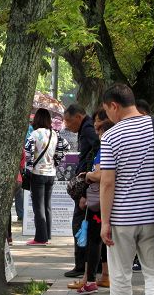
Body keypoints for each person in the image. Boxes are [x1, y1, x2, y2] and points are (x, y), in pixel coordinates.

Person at [99, 84, 154, 295]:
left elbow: (107, 182)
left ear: (114, 105)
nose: (107, 115)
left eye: (106, 110)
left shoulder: (111, 136)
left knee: (120, 277)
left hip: (121, 219)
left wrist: (105, 221)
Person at [71, 119, 113, 293]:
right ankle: (99, 278)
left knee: (94, 241)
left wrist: (88, 175)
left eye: (99, 130)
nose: (97, 134)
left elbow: (102, 175)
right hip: (106, 202)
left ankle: (90, 281)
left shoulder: (106, 149)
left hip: (99, 204)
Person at [25, 108, 70, 245]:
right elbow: (66, 147)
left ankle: (40, 238)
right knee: (47, 205)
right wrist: (56, 161)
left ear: (37, 119)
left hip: (38, 173)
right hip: (51, 173)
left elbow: (28, 151)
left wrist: (29, 166)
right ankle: (47, 235)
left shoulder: (35, 134)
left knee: (38, 206)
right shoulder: (55, 134)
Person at [63, 104, 99, 278]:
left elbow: (90, 158)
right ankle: (89, 266)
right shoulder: (86, 129)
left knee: (80, 225)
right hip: (90, 184)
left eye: (69, 121)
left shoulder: (88, 131)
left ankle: (81, 266)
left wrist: (84, 192)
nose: (67, 126)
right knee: (88, 227)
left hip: (88, 186)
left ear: (78, 117)